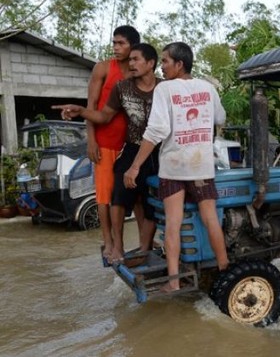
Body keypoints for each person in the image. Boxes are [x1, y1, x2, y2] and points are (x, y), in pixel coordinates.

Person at [123, 42, 229, 292]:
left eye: (165, 61)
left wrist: (134, 166)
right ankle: (225, 268)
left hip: (173, 167)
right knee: (211, 218)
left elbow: (157, 130)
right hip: (201, 166)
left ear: (179, 64)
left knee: (172, 223)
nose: (162, 66)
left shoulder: (165, 89)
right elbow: (220, 118)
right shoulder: (208, 88)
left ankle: (173, 281)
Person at [54, 44, 161, 263]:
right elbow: (104, 116)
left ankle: (145, 248)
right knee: (118, 191)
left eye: (136, 59)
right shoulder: (122, 88)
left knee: (151, 201)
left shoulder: (166, 88)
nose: (130, 64)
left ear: (150, 64)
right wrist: (81, 111)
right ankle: (118, 247)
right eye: (129, 60)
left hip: (160, 150)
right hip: (133, 147)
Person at [85, 25, 140, 262]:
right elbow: (91, 106)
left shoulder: (139, 69)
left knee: (137, 193)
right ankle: (109, 242)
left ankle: (142, 243)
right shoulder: (103, 68)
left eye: (121, 43)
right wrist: (91, 140)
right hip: (105, 142)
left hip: (131, 144)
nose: (116, 47)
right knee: (105, 197)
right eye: (114, 43)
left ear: (133, 46)